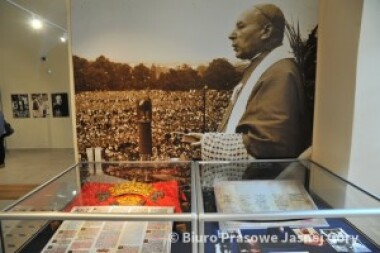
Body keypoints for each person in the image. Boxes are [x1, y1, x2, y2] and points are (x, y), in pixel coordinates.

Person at [185, 4, 311, 160]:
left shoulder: (281, 73)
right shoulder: (263, 67)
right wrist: (206, 140)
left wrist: (212, 143)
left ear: (266, 31)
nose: (231, 35)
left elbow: (269, 144)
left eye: (241, 27)